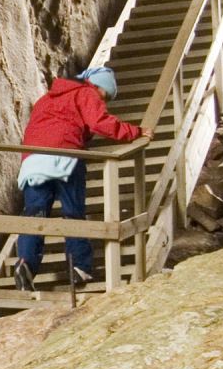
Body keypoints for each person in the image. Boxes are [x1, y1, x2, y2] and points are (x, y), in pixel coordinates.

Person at [13, 66, 145, 292]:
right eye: (106, 95)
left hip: (33, 159)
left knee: (35, 212)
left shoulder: (46, 98)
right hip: (65, 156)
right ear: (100, 86)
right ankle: (80, 266)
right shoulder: (86, 93)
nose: (104, 101)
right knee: (72, 212)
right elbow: (99, 122)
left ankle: (26, 262)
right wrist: (136, 132)